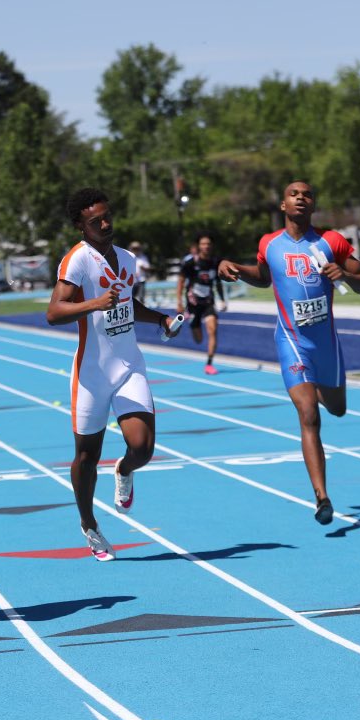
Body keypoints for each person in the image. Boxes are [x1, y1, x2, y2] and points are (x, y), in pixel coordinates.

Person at [218, 181, 360, 525]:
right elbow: (263, 277)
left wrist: (344, 272)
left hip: (326, 343)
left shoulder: (332, 241)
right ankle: (322, 497)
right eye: (293, 194)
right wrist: (237, 268)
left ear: (313, 205)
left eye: (307, 194)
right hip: (292, 341)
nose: (301, 198)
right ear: (283, 205)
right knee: (309, 416)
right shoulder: (269, 243)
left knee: (337, 409)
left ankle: (316, 384)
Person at [46, 188, 180, 560]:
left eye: (108, 217)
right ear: (80, 226)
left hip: (128, 365)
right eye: (95, 221)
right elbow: (54, 312)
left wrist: (161, 319)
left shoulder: (127, 258)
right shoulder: (76, 261)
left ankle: (123, 468)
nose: (105, 224)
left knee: (143, 447)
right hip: (92, 373)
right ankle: (89, 523)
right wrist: (93, 303)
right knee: (86, 457)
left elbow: (128, 304)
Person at [176, 232, 228, 375]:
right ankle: (191, 319)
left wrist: (222, 299)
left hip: (208, 302)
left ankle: (209, 364)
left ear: (212, 246)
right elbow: (180, 281)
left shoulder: (216, 262)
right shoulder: (191, 263)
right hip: (193, 304)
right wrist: (179, 302)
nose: (206, 246)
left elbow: (218, 283)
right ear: (198, 246)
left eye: (208, 244)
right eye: (203, 244)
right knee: (198, 339)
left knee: (213, 330)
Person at [129, 241, 152, 305]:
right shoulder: (128, 257)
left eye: (137, 248)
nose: (136, 250)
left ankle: (141, 312)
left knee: (141, 297)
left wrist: (143, 268)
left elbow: (148, 268)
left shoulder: (143, 257)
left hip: (141, 280)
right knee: (130, 297)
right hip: (131, 281)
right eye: (134, 248)